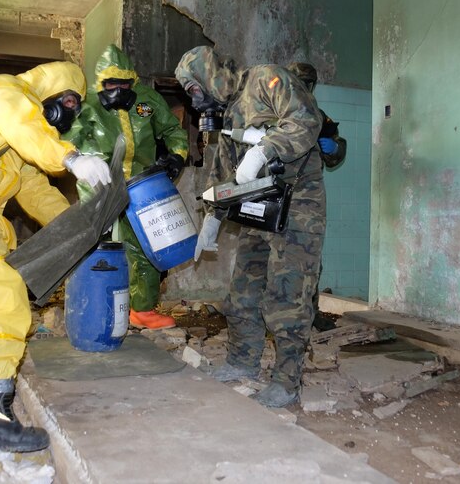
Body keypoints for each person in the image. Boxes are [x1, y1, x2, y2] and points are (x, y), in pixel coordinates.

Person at [0, 61, 111, 452]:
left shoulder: (12, 148)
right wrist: (71, 157)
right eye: (68, 102)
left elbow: (35, 190)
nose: (68, 114)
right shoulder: (0, 89)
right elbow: (24, 121)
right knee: (0, 292)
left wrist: (83, 223)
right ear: (49, 91)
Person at [175, 46, 325, 408]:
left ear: (209, 74)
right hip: (258, 204)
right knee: (244, 288)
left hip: (298, 203)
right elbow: (223, 173)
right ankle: (242, 361)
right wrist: (211, 219)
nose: (195, 100)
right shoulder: (226, 114)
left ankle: (287, 383)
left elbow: (305, 120)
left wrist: (264, 150)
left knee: (287, 293)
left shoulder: (266, 79)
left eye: (194, 89)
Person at [63, 44, 189, 330]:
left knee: (145, 245)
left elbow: (173, 131)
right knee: (92, 246)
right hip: (98, 185)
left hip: (141, 186)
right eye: (111, 84)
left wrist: (176, 157)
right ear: (100, 83)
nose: (118, 89)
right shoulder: (88, 105)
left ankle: (141, 310)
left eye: (124, 83)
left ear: (132, 80)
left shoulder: (148, 100)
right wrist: (78, 160)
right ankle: (87, 303)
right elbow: (67, 141)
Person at [286, 62, 347, 332]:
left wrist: (334, 148)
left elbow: (336, 150)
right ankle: (277, 315)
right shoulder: (277, 114)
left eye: (308, 83)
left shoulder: (318, 116)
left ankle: (310, 313)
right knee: (276, 261)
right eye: (300, 82)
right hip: (279, 198)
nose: (304, 88)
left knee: (311, 259)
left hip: (309, 201)